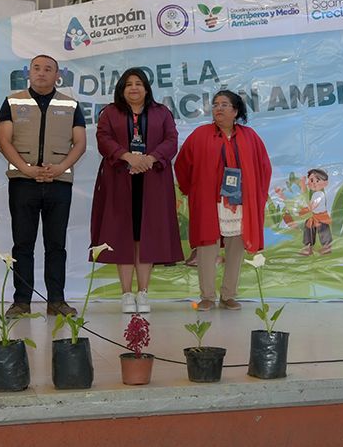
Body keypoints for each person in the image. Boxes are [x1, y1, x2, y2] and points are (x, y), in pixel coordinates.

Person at [0, 55, 86, 318]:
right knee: (22, 244)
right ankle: (21, 302)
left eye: (48, 69)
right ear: (29, 73)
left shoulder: (70, 105)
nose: (41, 73)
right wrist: (26, 169)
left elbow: (80, 143)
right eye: (36, 68)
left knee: (56, 245)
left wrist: (60, 167)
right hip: (23, 183)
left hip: (58, 184)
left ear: (57, 75)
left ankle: (56, 301)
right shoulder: (13, 102)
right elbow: (3, 141)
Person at [90, 68, 184, 313]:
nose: (134, 88)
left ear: (146, 88)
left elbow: (171, 140)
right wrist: (127, 156)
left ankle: (143, 292)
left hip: (153, 181)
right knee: (122, 236)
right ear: (122, 89)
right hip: (119, 180)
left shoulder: (161, 112)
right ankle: (126, 294)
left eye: (139, 83)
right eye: (129, 84)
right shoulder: (110, 113)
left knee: (146, 236)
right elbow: (103, 138)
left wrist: (150, 159)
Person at [176, 90, 272, 311]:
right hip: (208, 200)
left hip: (240, 202)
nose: (218, 108)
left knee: (235, 248)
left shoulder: (250, 137)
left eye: (224, 104)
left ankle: (228, 295)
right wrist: (192, 190)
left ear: (235, 111)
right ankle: (207, 296)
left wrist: (257, 195)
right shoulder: (200, 135)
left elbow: (263, 167)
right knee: (206, 247)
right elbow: (182, 164)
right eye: (216, 104)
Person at [299, 168, 332, 256]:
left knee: (323, 230)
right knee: (308, 228)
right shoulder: (314, 193)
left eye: (317, 181)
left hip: (321, 217)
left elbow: (314, 204)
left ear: (325, 183)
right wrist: (303, 184)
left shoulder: (320, 194)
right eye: (311, 180)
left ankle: (327, 247)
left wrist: (306, 209)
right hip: (314, 216)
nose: (314, 183)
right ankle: (308, 247)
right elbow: (305, 194)